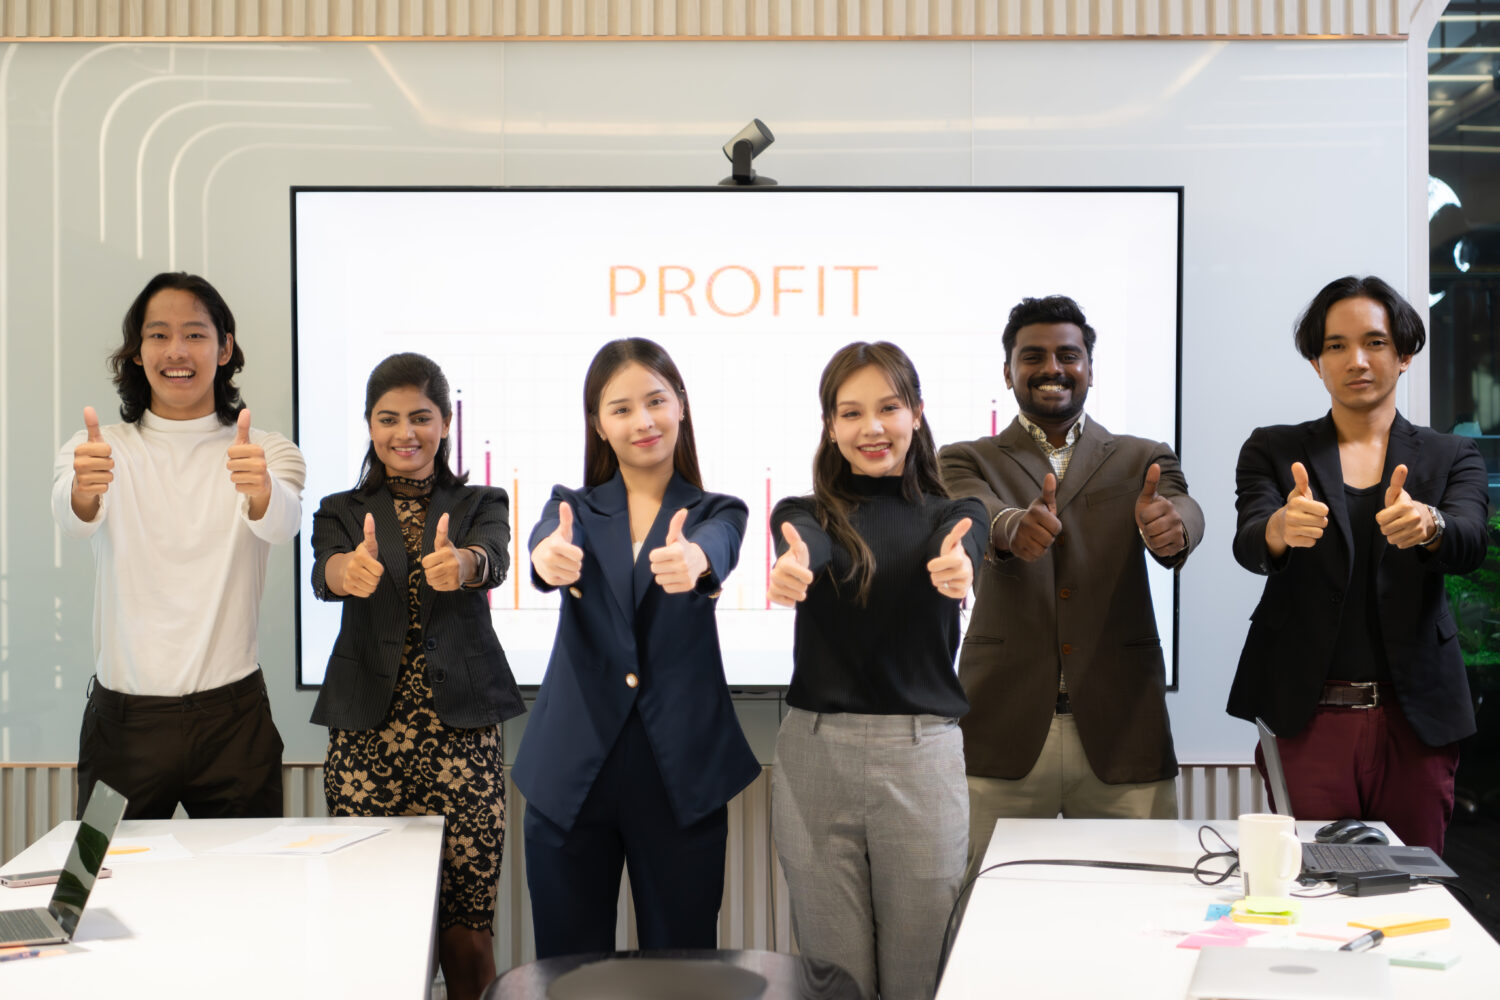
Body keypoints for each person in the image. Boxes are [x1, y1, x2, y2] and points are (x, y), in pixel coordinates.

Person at [512, 337, 759, 958]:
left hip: (679, 777)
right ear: (599, 424)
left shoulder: (718, 511)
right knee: (568, 975)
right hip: (571, 773)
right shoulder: (569, 507)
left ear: (681, 405)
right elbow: (547, 544)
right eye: (620, 409)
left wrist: (696, 559)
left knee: (682, 971)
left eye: (655, 401)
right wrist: (546, 556)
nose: (642, 421)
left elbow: (718, 545)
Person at [1229, 276, 1489, 854]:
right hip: (1306, 714)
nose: (1357, 360)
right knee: (1313, 881)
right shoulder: (1273, 448)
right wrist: (1279, 529)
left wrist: (1431, 524)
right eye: (1336, 345)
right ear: (1316, 363)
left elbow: (1472, 540)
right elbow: (1249, 540)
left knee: (1414, 880)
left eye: (1374, 342)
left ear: (1404, 354)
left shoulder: (1452, 454)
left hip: (1416, 718)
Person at [939, 295, 1203, 858]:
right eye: (1032, 356)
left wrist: (1172, 527)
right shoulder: (963, 458)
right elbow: (974, 509)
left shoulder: (1142, 456)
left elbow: (1181, 504)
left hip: (1123, 730)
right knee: (985, 900)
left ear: (1089, 368)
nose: (1052, 368)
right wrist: (1011, 526)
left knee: (1139, 898)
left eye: (1068, 355)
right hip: (1001, 729)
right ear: (1007, 372)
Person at [769, 341, 986, 1000]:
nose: (872, 428)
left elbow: (966, 544)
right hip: (815, 757)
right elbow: (812, 546)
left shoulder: (955, 515)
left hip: (921, 759)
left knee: (921, 977)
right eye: (851, 412)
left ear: (916, 413)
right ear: (830, 426)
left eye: (889, 408)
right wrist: (796, 565)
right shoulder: (801, 514)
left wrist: (961, 566)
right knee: (835, 979)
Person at [309, 352, 523, 1000]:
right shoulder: (341, 508)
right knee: (371, 931)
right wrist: (346, 572)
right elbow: (325, 571)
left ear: (446, 422)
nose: (406, 432)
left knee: (467, 937)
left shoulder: (481, 501)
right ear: (370, 424)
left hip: (463, 741)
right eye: (389, 418)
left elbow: (493, 557)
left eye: (421, 417)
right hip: (366, 743)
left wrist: (465, 563)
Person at [52, 271, 304, 820]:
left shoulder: (266, 452)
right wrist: (84, 489)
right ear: (137, 351)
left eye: (194, 334)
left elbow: (283, 523)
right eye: (158, 335)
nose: (176, 351)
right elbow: (73, 519)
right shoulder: (96, 449)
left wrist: (260, 489)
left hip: (235, 724)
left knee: (251, 872)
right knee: (93, 872)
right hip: (122, 728)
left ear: (224, 347)